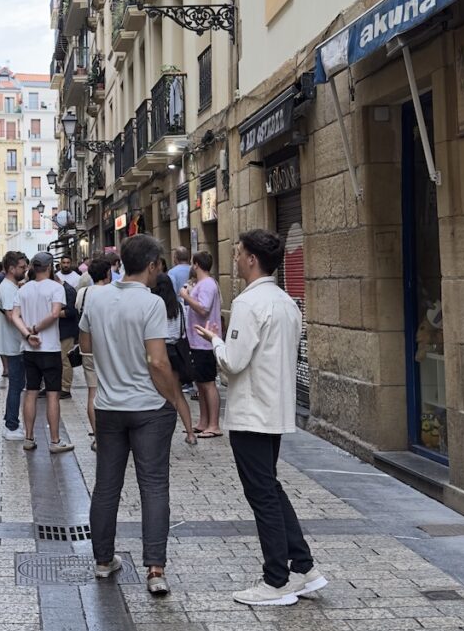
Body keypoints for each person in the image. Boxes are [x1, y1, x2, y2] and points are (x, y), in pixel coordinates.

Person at [194, 229, 324, 607]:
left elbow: (234, 362)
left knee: (262, 494)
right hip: (276, 409)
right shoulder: (286, 302)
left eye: (237, 252)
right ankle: (304, 566)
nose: (234, 258)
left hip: (252, 412)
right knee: (271, 488)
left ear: (251, 259)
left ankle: (276, 579)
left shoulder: (250, 304)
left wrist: (215, 340)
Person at [79, 235, 195, 595]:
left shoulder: (95, 298)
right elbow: (158, 361)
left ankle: (102, 560)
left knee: (107, 486)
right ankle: (155, 569)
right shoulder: (152, 304)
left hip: (110, 407)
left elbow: (85, 346)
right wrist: (174, 399)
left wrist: (113, 362)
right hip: (148, 408)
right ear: (152, 266)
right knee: (154, 485)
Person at [12, 252, 74, 453]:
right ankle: (55, 441)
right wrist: (36, 329)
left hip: (29, 349)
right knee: (53, 395)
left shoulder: (23, 289)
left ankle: (29, 437)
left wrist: (27, 334)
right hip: (50, 348)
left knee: (30, 392)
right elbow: (56, 313)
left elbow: (15, 316)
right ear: (49, 267)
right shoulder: (56, 288)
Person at [180, 251, 223, 438]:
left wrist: (185, 296)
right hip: (197, 341)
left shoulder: (207, 285)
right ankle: (204, 421)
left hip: (204, 341)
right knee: (201, 383)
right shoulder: (204, 284)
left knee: (208, 383)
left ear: (196, 264)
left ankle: (214, 424)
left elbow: (203, 309)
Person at [75, 257, 111, 451]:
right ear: (108, 274)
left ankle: (98, 437)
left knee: (92, 392)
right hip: (108, 348)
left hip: (87, 346)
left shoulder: (83, 292)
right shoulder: (111, 293)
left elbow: (77, 311)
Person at [0, 251, 29, 440]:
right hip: (13, 343)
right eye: (22, 267)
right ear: (11, 268)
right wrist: (28, 331)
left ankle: (10, 420)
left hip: (14, 342)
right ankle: (11, 426)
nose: (25, 270)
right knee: (16, 385)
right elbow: (11, 316)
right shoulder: (8, 289)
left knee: (17, 384)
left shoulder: (10, 286)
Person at [152, 273, 192, 388]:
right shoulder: (179, 306)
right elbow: (184, 329)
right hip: (177, 352)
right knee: (176, 390)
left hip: (159, 350)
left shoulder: (154, 307)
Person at [57, 272, 78, 400]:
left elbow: (71, 312)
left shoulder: (69, 291)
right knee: (60, 360)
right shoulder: (62, 289)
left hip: (67, 331)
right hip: (61, 331)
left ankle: (65, 388)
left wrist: (53, 312)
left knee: (65, 360)